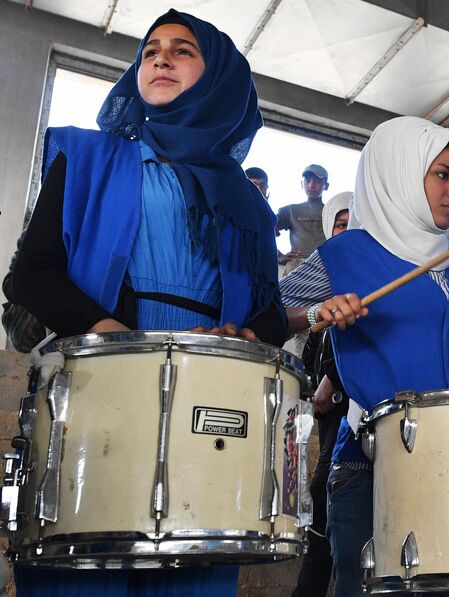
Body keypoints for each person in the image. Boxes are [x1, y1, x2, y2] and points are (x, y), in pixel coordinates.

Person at [11, 9, 285, 596]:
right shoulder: (87, 158)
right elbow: (29, 276)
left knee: (193, 566)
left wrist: (249, 338)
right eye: (151, 49)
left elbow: (269, 310)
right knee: (83, 567)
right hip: (97, 395)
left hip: (205, 419)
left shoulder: (248, 203)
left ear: (219, 79)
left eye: (183, 50)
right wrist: (105, 329)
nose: (160, 57)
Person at [280, 116, 449, 597]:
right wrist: (318, 309)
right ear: (401, 174)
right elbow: (271, 315)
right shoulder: (346, 254)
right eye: (442, 174)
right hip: (370, 464)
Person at [292, 192, 352, 597]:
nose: (347, 232)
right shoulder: (323, 281)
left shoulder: (366, 274)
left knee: (327, 490)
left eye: (354, 224)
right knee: (322, 495)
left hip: (353, 411)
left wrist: (333, 380)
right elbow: (312, 339)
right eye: (341, 224)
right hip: (327, 412)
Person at [276, 164, 329, 274]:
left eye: (317, 181)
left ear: (326, 185)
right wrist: (278, 255)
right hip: (297, 267)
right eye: (307, 180)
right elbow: (265, 230)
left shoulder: (333, 211)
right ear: (301, 184)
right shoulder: (290, 211)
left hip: (326, 266)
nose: (311, 185)